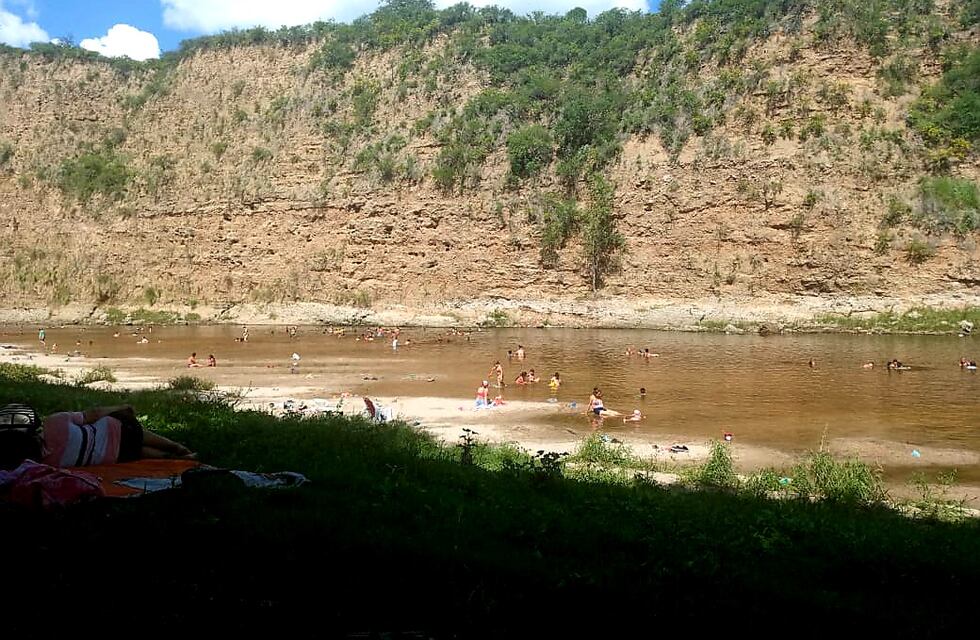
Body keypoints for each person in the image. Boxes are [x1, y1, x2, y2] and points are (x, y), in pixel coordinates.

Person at [35, 405, 194, 467]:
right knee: (140, 437)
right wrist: (122, 408)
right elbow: (93, 414)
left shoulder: (47, 464)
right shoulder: (54, 422)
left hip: (112, 457)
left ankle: (177, 459)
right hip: (115, 430)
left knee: (138, 452)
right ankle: (179, 448)